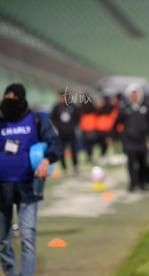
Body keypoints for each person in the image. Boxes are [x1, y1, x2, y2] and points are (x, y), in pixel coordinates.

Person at [0, 83, 63, 276]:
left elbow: (55, 144)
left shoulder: (36, 120)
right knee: (2, 241)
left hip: (28, 186)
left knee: (27, 238)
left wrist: (46, 160)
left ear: (22, 99)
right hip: (2, 188)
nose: (9, 102)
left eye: (13, 98)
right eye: (6, 98)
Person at [112, 83, 149, 192]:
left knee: (142, 162)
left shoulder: (145, 107)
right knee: (131, 162)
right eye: (132, 94)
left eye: (136, 94)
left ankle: (142, 182)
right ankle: (132, 183)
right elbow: (116, 123)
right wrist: (114, 135)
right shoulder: (124, 108)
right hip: (129, 140)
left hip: (141, 140)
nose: (134, 96)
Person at [50, 90, 80, 173]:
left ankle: (75, 166)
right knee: (61, 151)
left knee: (74, 150)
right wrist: (58, 128)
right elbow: (53, 119)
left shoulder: (73, 106)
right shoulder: (56, 107)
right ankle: (64, 168)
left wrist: (73, 127)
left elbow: (77, 118)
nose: (62, 99)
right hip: (61, 133)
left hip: (71, 132)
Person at [96, 96, 117, 165]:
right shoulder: (100, 109)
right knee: (102, 144)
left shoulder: (110, 108)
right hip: (101, 129)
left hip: (108, 129)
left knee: (108, 144)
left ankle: (109, 156)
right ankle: (103, 156)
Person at [79, 99, 97, 163]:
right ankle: (90, 156)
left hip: (85, 128)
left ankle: (89, 156)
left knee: (87, 144)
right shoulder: (93, 108)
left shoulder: (81, 109)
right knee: (90, 144)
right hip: (91, 127)